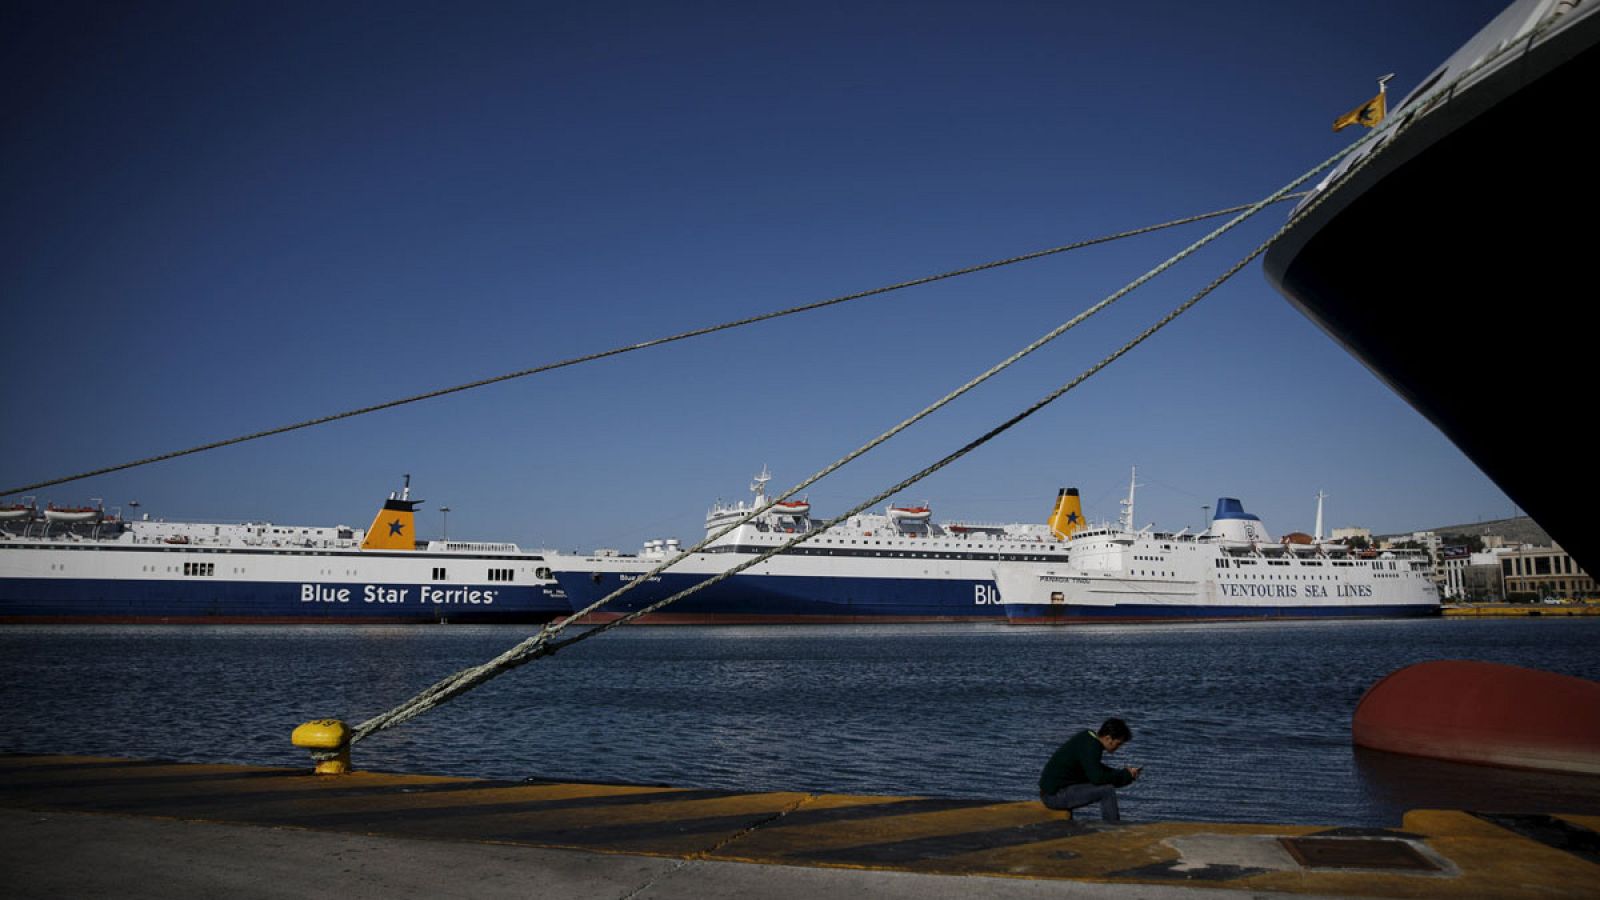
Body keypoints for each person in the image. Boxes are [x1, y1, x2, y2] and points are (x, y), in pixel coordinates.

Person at [1038, 717, 1141, 823]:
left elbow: (1097, 770)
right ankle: (1113, 828)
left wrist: (1125, 774)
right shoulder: (1092, 747)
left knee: (1106, 786)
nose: (1118, 747)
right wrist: (1125, 775)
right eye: (1118, 743)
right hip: (1053, 796)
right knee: (1107, 790)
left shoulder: (1088, 738)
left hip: (1054, 791)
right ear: (1108, 738)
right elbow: (1098, 778)